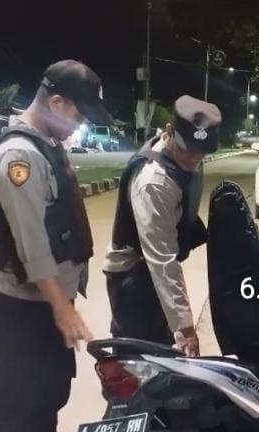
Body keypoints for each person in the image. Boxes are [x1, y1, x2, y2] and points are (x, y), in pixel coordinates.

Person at [0, 59, 111, 432]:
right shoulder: (20, 156)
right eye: (79, 115)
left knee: (46, 400)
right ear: (56, 102)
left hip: (49, 306)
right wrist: (61, 307)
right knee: (8, 408)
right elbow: (31, 245)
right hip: (25, 310)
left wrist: (63, 304)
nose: (80, 125)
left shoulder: (46, 144)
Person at [104, 96, 222, 357]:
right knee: (138, 360)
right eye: (188, 150)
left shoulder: (188, 155)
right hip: (134, 276)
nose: (194, 159)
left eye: (201, 151)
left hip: (154, 265)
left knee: (165, 355)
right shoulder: (154, 181)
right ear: (169, 131)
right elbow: (162, 259)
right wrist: (186, 328)